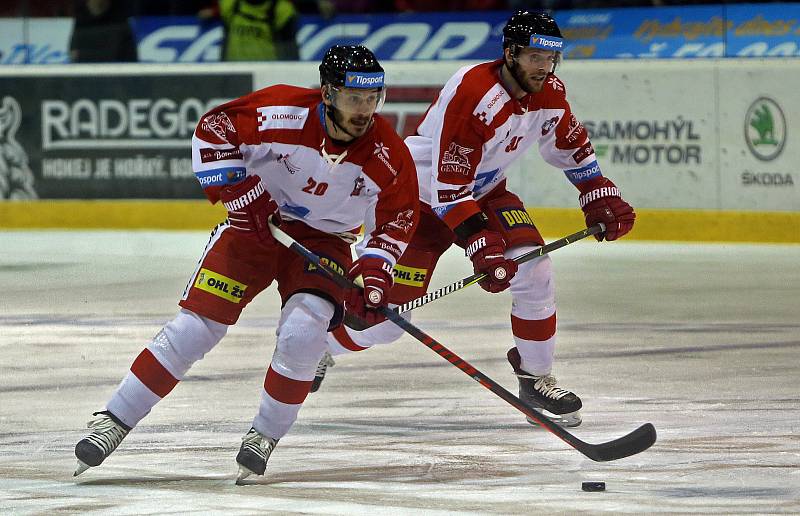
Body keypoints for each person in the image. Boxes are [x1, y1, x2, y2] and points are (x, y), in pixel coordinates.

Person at [73, 45, 420, 481]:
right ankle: (115, 419)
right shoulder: (282, 112)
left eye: (373, 99)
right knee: (196, 327)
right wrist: (238, 190)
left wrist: (373, 274)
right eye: (355, 97)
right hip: (255, 225)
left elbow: (397, 221)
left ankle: (264, 434)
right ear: (328, 94)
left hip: (325, 243)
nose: (365, 110)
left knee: (302, 333)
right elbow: (213, 130)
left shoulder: (388, 154)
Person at [317, 11, 636, 428]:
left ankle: (535, 377)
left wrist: (596, 191)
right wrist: (480, 243)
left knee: (534, 267)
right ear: (510, 53)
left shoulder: (550, 92)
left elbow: (568, 143)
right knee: (385, 321)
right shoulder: (474, 95)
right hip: (417, 201)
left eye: (551, 57)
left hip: (484, 192)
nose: (544, 67)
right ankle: (319, 347)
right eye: (535, 57)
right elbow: (449, 189)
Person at [219, 0, 299, 61]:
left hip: (269, 74)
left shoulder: (282, 11)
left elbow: (290, 55)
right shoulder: (230, 4)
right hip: (234, 72)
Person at [69, 0, 138, 63]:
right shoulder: (82, 20)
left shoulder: (120, 23)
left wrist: (82, 55)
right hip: (86, 72)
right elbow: (73, 53)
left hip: (119, 72)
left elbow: (116, 54)